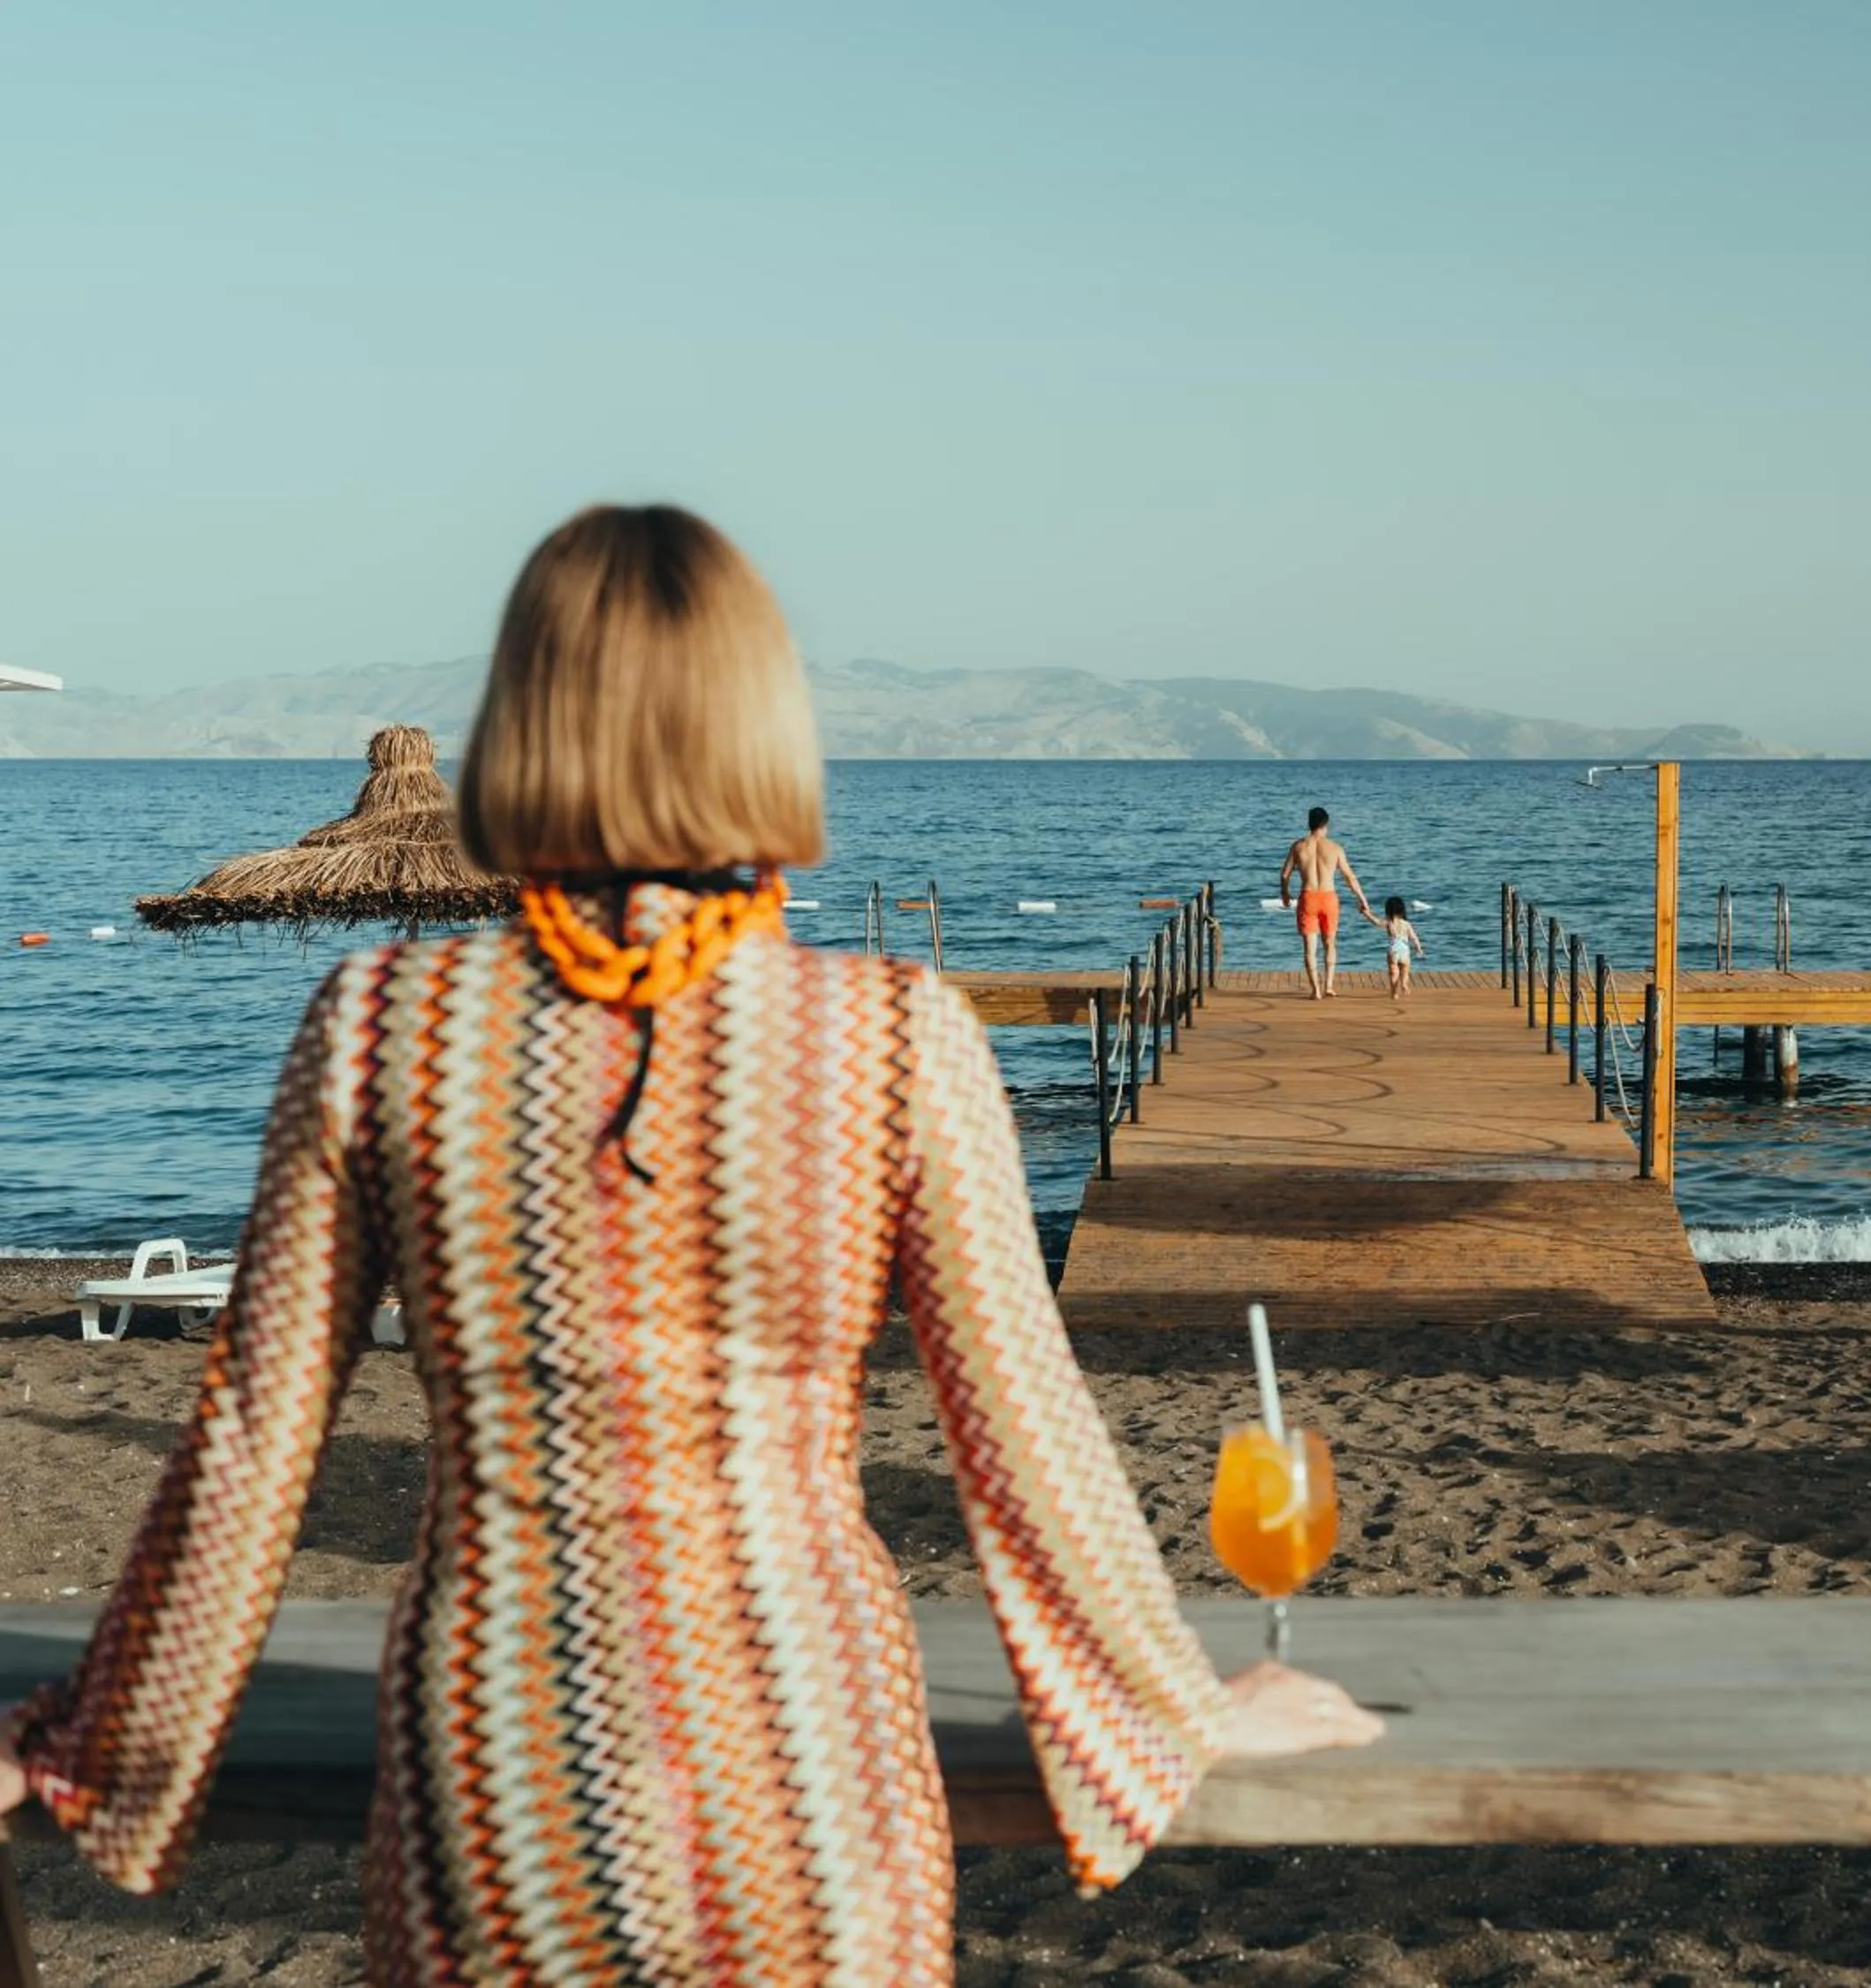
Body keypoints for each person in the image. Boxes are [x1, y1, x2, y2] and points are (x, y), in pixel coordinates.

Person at [0, 505, 1378, 1986]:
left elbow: (253, 1437)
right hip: (809, 1762)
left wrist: (85, 1738)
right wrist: (1173, 1710)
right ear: (762, 719)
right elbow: (1022, 1433)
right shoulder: (894, 1039)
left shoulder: (385, 1028)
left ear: (523, 716)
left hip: (495, 1761)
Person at [1279, 805, 1375, 998]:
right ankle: (1329, 986)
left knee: (1309, 948)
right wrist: (1362, 898)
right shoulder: (1335, 848)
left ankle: (1315, 990)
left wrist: (1285, 895)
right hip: (1329, 898)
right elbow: (1349, 877)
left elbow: (1284, 875)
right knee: (1330, 943)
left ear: (1309, 824)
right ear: (1325, 825)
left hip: (1308, 898)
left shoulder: (1298, 846)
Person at [1381, 895, 1428, 1002]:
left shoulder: (1389, 922)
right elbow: (1414, 937)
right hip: (1405, 952)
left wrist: (1366, 913)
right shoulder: (1406, 924)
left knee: (1394, 973)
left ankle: (1394, 993)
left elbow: (1376, 922)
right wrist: (1419, 949)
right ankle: (1404, 985)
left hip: (1393, 951)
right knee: (1405, 971)